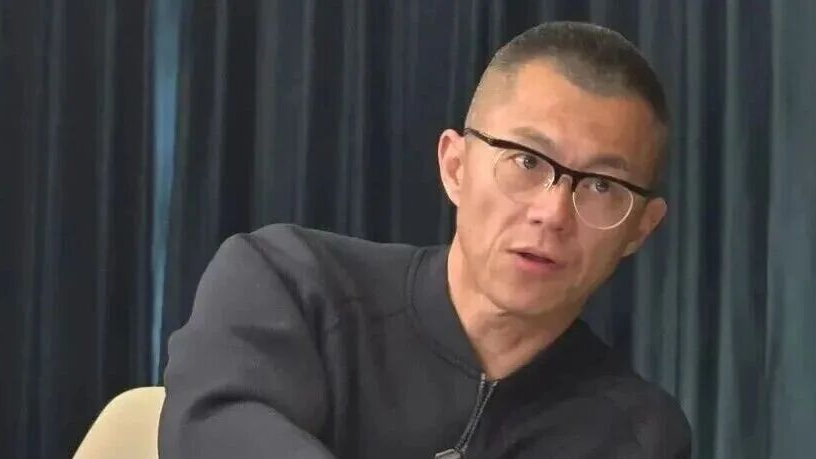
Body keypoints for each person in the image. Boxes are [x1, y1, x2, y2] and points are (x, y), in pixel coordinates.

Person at [158, 21, 691, 458]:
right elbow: (214, 430)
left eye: (601, 186)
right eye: (527, 161)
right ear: (455, 167)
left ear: (640, 229)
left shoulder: (638, 438)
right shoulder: (291, 285)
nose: (552, 213)